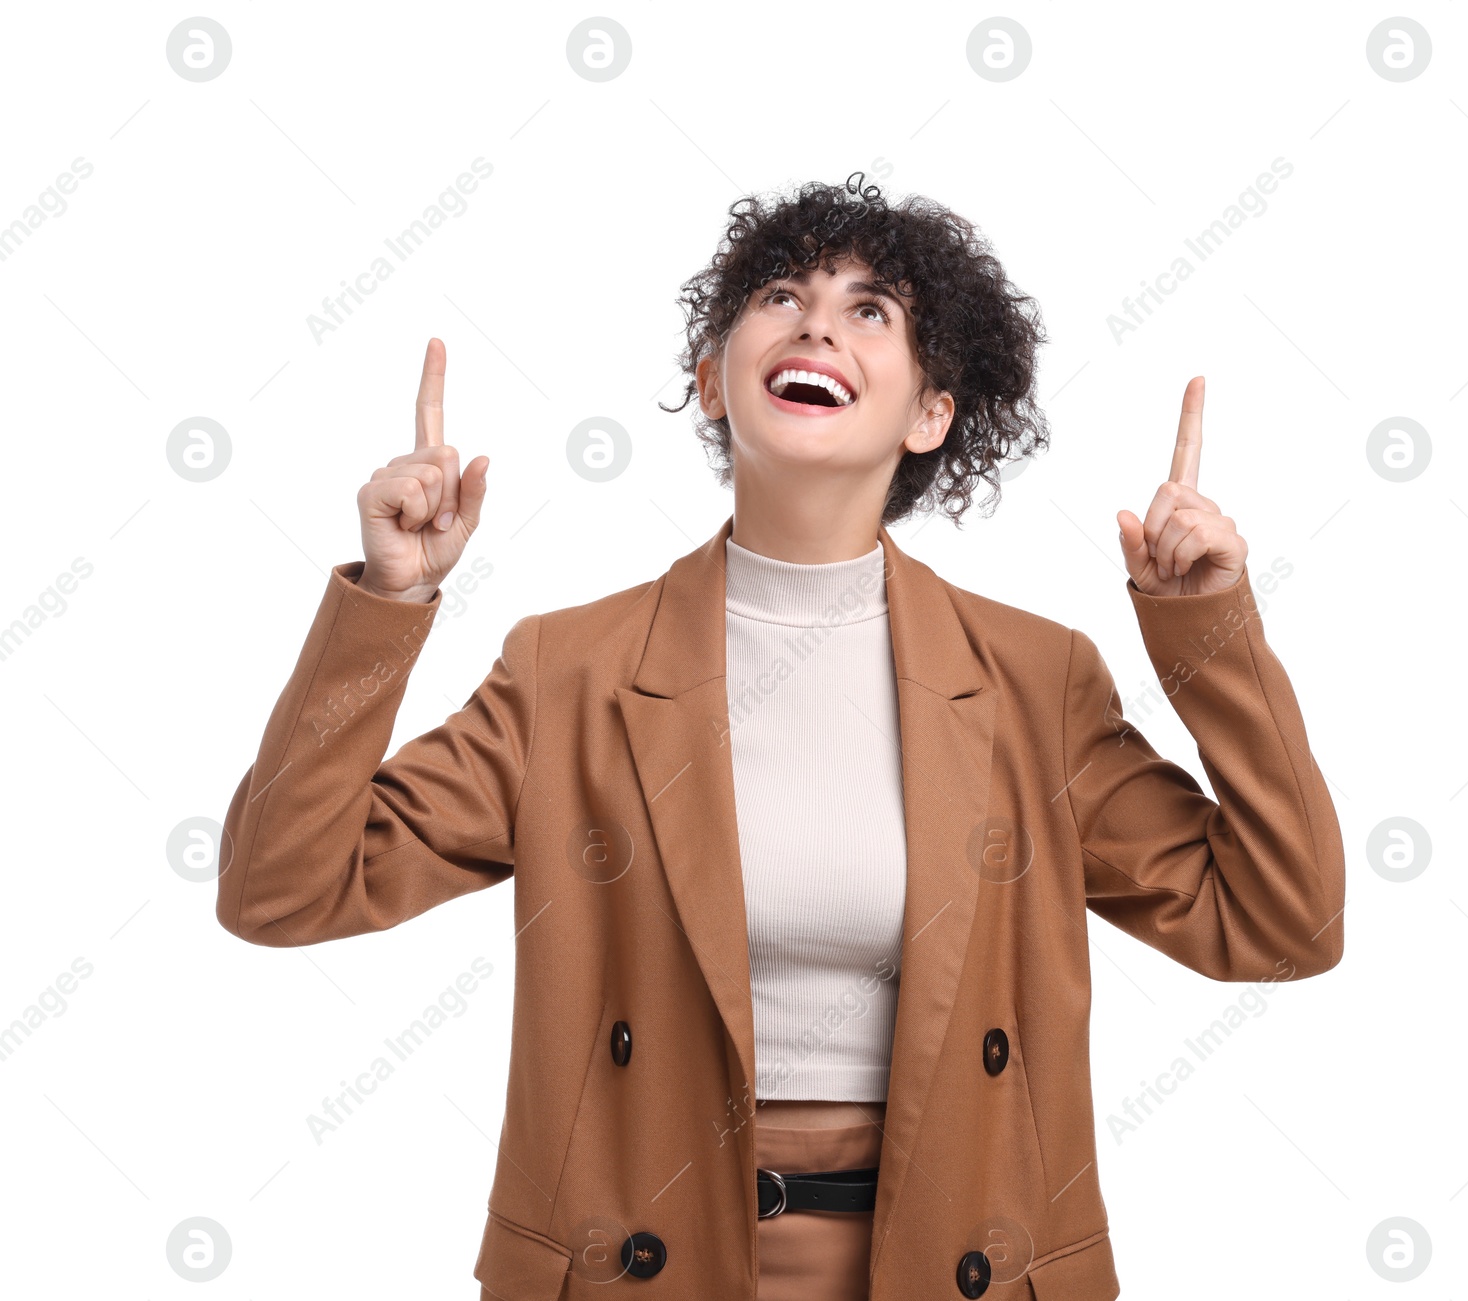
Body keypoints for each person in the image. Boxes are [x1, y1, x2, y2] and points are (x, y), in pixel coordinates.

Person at [218, 172, 1343, 1300]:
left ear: (930, 414)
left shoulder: (1033, 680)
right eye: (779, 295)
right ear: (711, 381)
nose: (817, 323)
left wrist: (1208, 632)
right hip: (644, 1268)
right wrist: (389, 600)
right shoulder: (569, 672)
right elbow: (283, 887)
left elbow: (1283, 922)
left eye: (870, 310)